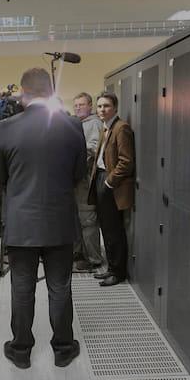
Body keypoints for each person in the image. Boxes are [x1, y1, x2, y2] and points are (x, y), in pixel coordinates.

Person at [0, 68, 86, 369]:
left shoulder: (5, 128)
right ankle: (63, 349)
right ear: (51, 91)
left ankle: (21, 350)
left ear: (23, 93)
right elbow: (79, 173)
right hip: (59, 221)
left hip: (22, 223)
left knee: (22, 288)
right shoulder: (73, 125)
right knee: (60, 287)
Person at [87, 92, 134, 287]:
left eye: (106, 106)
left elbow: (126, 162)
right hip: (100, 178)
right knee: (106, 228)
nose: (102, 110)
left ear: (115, 108)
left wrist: (108, 182)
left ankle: (118, 272)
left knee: (114, 230)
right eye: (99, 106)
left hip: (110, 183)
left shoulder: (121, 128)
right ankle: (111, 267)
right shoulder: (106, 127)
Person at [71, 92, 105, 274]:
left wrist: (71, 153)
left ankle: (93, 259)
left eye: (81, 105)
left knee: (88, 220)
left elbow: (92, 150)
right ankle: (80, 254)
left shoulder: (94, 124)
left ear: (90, 106)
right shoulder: (77, 123)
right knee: (77, 219)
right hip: (76, 180)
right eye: (76, 105)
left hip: (86, 180)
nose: (78, 108)